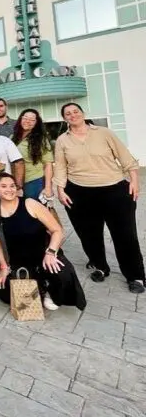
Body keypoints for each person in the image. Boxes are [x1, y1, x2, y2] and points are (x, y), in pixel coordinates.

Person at [54, 102, 145, 293]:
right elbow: (61, 166)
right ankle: (100, 266)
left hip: (114, 190)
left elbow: (125, 156)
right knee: (89, 235)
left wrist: (134, 180)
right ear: (64, 118)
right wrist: (60, 190)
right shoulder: (62, 140)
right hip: (79, 192)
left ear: (82, 113)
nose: (73, 115)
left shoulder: (104, 133)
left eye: (75, 111)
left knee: (125, 235)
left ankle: (135, 276)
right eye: (68, 113)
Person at [0, 172, 86, 312]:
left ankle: (49, 289)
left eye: (12, 186)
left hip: (43, 256)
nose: (9, 189)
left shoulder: (30, 204)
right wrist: (3, 266)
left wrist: (51, 252)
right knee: (5, 293)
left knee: (62, 274)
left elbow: (57, 231)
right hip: (17, 262)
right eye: (3, 186)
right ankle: (41, 287)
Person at [11, 109, 54, 201]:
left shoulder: (41, 139)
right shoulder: (12, 137)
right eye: (25, 118)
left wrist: (48, 187)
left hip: (34, 181)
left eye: (32, 120)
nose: (28, 121)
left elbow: (48, 164)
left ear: (36, 123)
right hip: (15, 182)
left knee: (35, 207)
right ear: (20, 119)